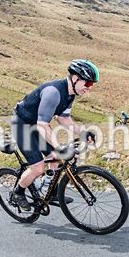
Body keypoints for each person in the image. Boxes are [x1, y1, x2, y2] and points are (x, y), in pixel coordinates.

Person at [9, 59, 98, 211]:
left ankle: (50, 191)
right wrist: (59, 147)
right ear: (75, 79)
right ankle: (18, 193)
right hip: (22, 126)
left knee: (56, 160)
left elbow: (63, 118)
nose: (89, 88)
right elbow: (42, 125)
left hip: (37, 125)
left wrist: (82, 133)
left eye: (91, 85)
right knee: (38, 168)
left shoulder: (70, 94)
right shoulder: (53, 92)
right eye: (88, 84)